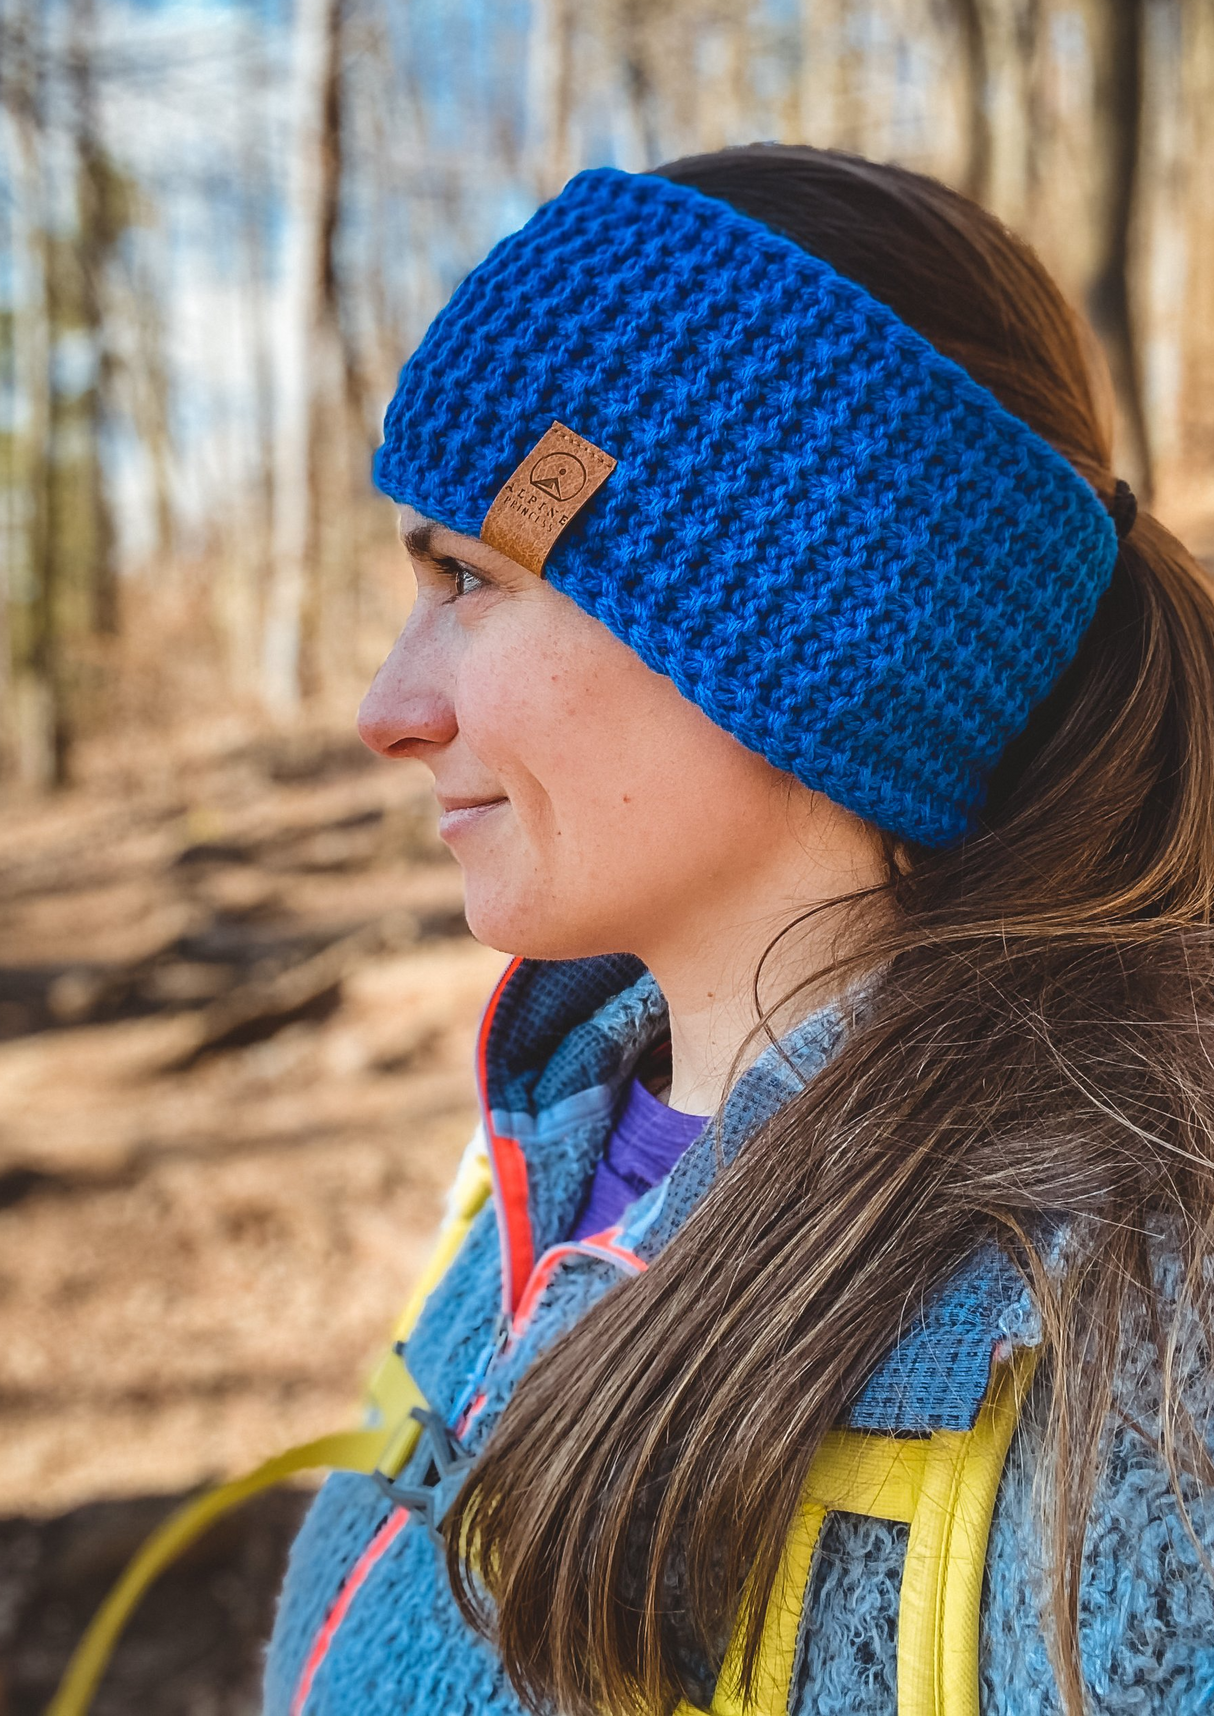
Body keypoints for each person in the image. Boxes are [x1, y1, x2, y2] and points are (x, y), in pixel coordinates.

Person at [263, 146, 1214, 1716]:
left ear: (813, 625)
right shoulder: (541, 1129)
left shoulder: (1127, 1346)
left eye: (465, 579)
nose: (388, 710)